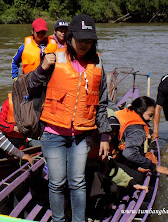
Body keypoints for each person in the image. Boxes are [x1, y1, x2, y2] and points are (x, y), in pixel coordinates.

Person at [27, 14, 111, 222]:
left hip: (81, 136)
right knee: (56, 182)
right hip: (53, 134)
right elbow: (31, 88)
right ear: (70, 37)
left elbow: (101, 104)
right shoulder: (54, 58)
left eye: (89, 40)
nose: (84, 44)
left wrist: (105, 136)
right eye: (80, 39)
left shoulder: (98, 65)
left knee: (78, 182)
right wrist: (42, 67)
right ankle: (58, 220)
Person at [114, 96, 168, 182]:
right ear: (141, 111)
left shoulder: (124, 112)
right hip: (107, 157)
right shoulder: (138, 129)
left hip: (104, 147)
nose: (150, 119)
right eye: (150, 115)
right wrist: (153, 166)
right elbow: (129, 154)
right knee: (140, 178)